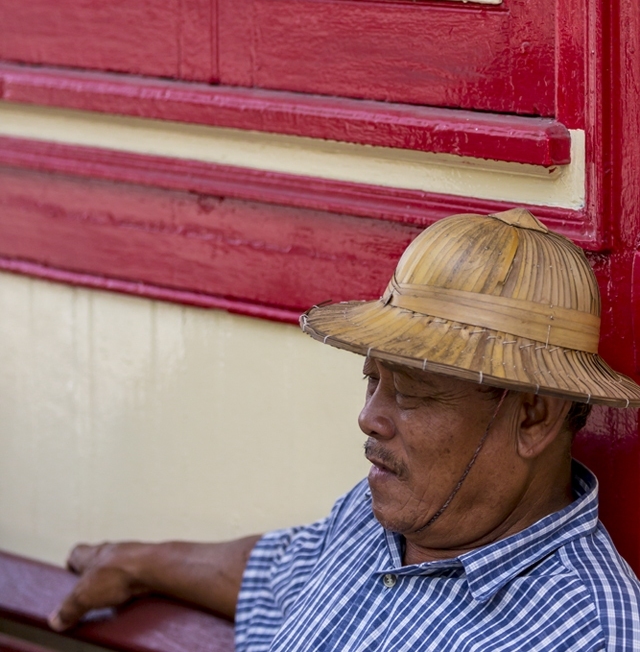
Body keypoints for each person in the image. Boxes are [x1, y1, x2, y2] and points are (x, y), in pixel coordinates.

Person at [49, 208, 640, 650]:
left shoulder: (583, 632)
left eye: (411, 391)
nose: (368, 417)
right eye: (371, 380)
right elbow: (281, 568)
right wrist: (135, 560)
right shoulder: (381, 512)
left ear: (533, 415)